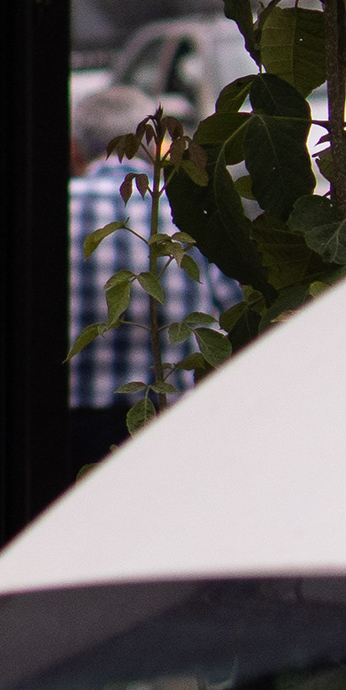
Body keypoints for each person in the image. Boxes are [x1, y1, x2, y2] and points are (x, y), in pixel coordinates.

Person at [67, 80, 239, 481]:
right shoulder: (188, 212)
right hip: (169, 424)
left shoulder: (45, 207)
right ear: (154, 146)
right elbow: (237, 312)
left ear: (74, 150)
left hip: (65, 432)